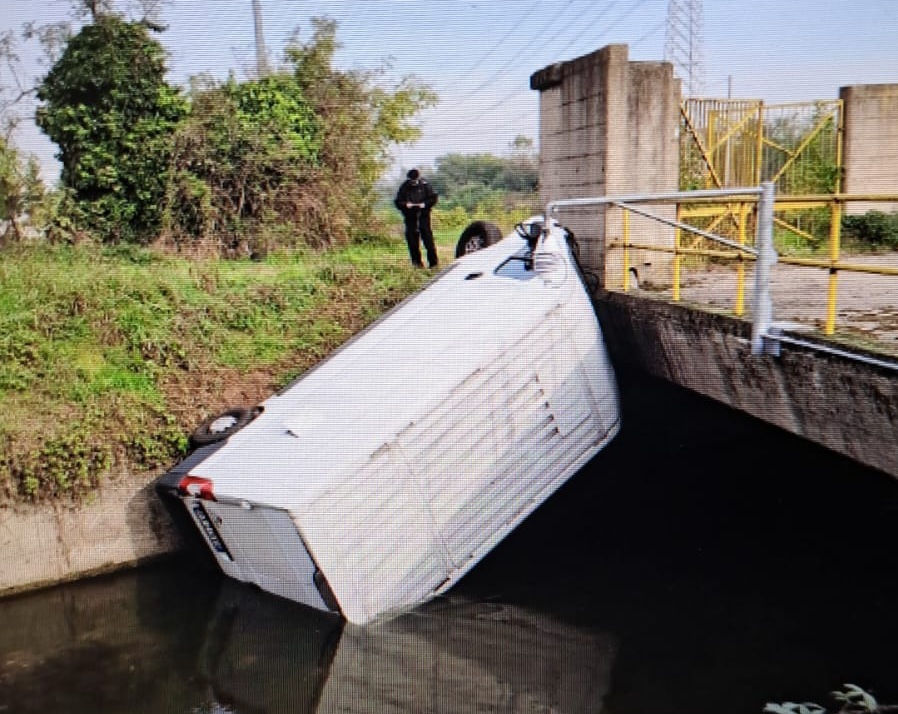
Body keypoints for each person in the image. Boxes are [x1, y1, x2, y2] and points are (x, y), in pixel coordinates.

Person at [394, 169, 439, 268]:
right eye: (412, 181)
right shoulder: (404, 187)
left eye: (415, 181)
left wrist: (424, 204)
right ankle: (417, 264)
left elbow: (433, 198)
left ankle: (434, 264)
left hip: (423, 217)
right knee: (413, 242)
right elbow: (398, 202)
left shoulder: (425, 185)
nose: (413, 183)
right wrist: (406, 205)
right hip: (410, 218)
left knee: (428, 241)